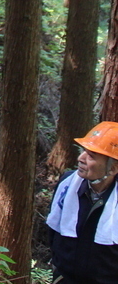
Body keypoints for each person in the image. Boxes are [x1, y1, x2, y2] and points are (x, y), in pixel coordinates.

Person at [47, 121, 118, 284]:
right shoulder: (67, 184)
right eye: (83, 151)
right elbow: (53, 232)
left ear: (113, 169)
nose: (81, 158)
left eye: (91, 156)